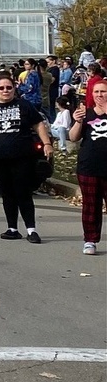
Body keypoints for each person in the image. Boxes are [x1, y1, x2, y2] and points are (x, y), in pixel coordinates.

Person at [0, 76, 53, 243]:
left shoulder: (23, 105)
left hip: (22, 156)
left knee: (23, 192)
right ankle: (12, 228)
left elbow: (38, 124)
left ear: (14, 88)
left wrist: (46, 143)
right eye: (2, 88)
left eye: (9, 88)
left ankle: (31, 230)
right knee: (7, 193)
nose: (5, 91)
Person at [68, 81, 107, 254]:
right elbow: (73, 137)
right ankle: (90, 240)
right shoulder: (87, 114)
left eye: (103, 91)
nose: (100, 95)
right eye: (96, 92)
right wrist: (77, 121)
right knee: (91, 206)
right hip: (89, 166)